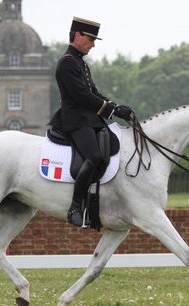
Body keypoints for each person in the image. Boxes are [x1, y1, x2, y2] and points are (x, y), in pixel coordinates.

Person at [48, 17, 133, 227]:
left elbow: (94, 92)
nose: (93, 44)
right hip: (75, 119)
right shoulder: (68, 61)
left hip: (90, 118)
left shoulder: (80, 63)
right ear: (78, 35)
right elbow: (82, 97)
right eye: (91, 39)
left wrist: (117, 107)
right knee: (94, 156)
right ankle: (75, 206)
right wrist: (112, 109)